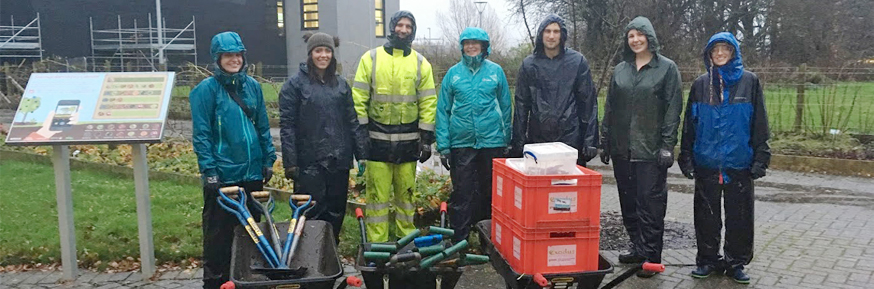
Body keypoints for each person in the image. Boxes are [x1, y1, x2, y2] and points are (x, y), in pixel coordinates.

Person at [679, 32, 770, 284]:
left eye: (725, 49)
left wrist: (761, 156)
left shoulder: (749, 82)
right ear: (709, 54)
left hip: (739, 162)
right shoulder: (700, 85)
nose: (719, 54)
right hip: (706, 162)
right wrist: (685, 155)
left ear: (733, 53)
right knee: (706, 217)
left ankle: (736, 262)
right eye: (715, 50)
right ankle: (707, 259)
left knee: (739, 216)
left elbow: (759, 122)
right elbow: (690, 124)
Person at [190, 31, 277, 289]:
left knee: (251, 235)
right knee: (219, 238)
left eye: (237, 54)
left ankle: (248, 280)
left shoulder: (253, 87)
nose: (234, 60)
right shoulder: (205, 91)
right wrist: (209, 171)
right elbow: (202, 134)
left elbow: (263, 126)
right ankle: (216, 282)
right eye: (228, 55)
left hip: (251, 173)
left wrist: (268, 159)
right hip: (223, 176)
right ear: (217, 58)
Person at [599, 16, 682, 278]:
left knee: (651, 204)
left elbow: (672, 109)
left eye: (639, 35)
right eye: (631, 36)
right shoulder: (620, 70)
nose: (635, 40)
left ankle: (651, 256)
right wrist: (606, 140)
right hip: (623, 150)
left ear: (649, 36)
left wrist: (668, 145)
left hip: (650, 151)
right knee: (629, 203)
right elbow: (610, 107)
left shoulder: (667, 69)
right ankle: (637, 246)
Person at [351, 10, 438, 242]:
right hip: (376, 142)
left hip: (408, 144)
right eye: (400, 25)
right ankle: (377, 246)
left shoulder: (421, 63)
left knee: (406, 197)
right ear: (392, 27)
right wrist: (361, 134)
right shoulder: (370, 59)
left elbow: (428, 101)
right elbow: (358, 98)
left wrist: (427, 140)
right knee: (376, 198)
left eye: (408, 26)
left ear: (413, 31)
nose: (403, 30)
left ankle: (405, 242)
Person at [279, 32, 367, 241]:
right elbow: (287, 125)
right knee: (311, 212)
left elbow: (352, 121)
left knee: (335, 211)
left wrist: (361, 153)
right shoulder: (295, 86)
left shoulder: (341, 85)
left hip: (338, 160)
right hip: (310, 162)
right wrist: (290, 162)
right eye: (319, 51)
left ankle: (330, 255)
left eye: (327, 51)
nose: (323, 56)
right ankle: (309, 256)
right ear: (310, 54)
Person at [436, 27, 512, 243]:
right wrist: (444, 146)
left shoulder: (496, 72)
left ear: (484, 47)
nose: (471, 47)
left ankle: (489, 241)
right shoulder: (453, 74)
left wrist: (506, 140)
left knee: (490, 194)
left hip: (492, 142)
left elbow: (506, 106)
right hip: (462, 144)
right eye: (467, 43)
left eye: (475, 43)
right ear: (462, 47)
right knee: (462, 193)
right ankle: (459, 241)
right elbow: (443, 110)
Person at [511, 14, 599, 166]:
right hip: (537, 139)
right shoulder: (529, 65)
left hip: (570, 138)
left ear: (562, 35)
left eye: (556, 31)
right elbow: (521, 106)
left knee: (568, 187)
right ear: (541, 34)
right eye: (547, 31)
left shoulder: (577, 62)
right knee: (540, 187)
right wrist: (518, 141)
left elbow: (588, 103)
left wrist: (590, 140)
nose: (551, 36)